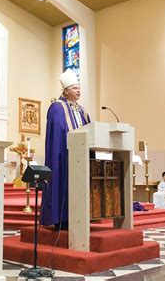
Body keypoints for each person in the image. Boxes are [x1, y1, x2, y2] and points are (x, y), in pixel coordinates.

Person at [40, 69, 91, 230]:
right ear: (66, 90)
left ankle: (81, 216)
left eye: (79, 88)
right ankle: (61, 218)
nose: (78, 90)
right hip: (63, 156)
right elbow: (57, 136)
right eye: (75, 88)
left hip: (81, 156)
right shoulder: (57, 107)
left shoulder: (82, 110)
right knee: (62, 183)